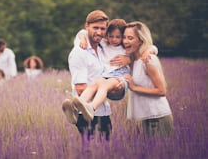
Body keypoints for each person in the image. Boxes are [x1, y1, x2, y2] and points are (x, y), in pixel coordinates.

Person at [62, 10, 130, 142]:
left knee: (106, 150)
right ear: (86, 26)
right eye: (95, 28)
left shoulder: (102, 47)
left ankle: (77, 109)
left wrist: (129, 59)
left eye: (102, 28)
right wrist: (109, 90)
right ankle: (75, 110)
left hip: (104, 112)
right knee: (92, 152)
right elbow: (81, 88)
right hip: (86, 115)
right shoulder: (80, 52)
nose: (99, 32)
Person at [71, 19, 158, 122]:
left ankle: (92, 108)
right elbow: (84, 32)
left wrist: (141, 54)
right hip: (106, 75)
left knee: (103, 85)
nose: (114, 39)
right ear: (107, 35)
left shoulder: (126, 47)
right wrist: (83, 39)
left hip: (120, 76)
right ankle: (75, 108)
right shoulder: (105, 43)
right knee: (94, 84)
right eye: (111, 36)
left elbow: (153, 47)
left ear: (123, 37)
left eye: (118, 37)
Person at [123, 21, 174, 137]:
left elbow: (162, 91)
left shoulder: (148, 60)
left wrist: (134, 87)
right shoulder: (133, 60)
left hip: (158, 118)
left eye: (130, 38)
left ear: (141, 40)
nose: (125, 41)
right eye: (124, 37)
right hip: (147, 118)